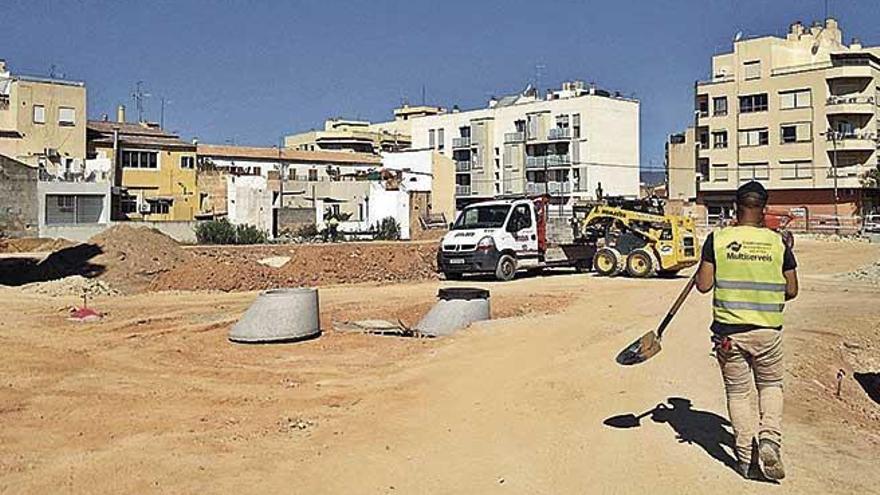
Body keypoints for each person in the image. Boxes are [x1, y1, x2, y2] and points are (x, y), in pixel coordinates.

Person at [695, 181, 798, 481]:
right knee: (770, 386)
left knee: (738, 394)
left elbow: (703, 286)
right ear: (764, 209)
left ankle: (745, 460)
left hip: (729, 334)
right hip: (768, 332)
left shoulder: (718, 239)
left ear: (735, 208)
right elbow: (791, 289)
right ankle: (769, 439)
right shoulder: (778, 243)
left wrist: (708, 260)